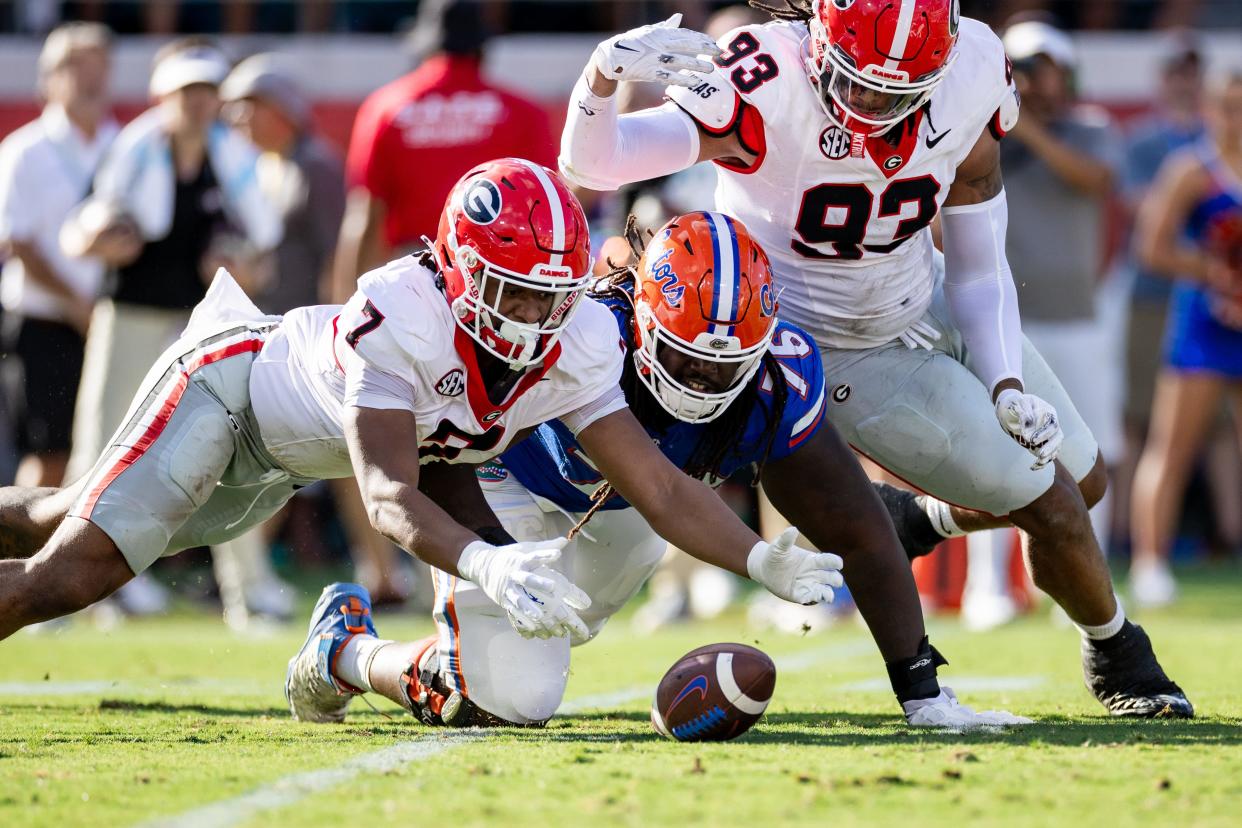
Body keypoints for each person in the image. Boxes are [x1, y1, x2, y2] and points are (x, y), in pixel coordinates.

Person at [556, 1, 1192, 718]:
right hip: (832, 347)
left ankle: (921, 520)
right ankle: (1119, 656)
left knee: (1090, 479)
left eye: (897, 91)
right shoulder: (764, 75)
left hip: (923, 295)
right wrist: (603, 76)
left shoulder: (974, 68)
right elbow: (593, 162)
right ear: (820, 44)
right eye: (858, 83)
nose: (873, 105)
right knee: (1054, 505)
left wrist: (1006, 378)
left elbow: (979, 262)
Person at [0, 160, 842, 675]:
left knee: (60, 518)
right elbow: (389, 498)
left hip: (287, 461)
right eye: (513, 292)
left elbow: (656, 485)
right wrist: (488, 566)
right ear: (461, 268)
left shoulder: (577, 339)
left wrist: (760, 559)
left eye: (551, 296)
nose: (531, 317)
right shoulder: (401, 311)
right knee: (76, 574)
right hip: (229, 391)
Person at [286, 211, 1029, 730]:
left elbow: (856, 528)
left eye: (724, 366)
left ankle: (452, 654)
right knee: (508, 694)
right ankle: (346, 651)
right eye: (680, 358)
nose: (701, 384)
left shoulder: (778, 379)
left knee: (553, 640)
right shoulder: (580, 334)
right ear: (641, 319)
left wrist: (921, 692)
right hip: (497, 481)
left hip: (627, 513)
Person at [60, 37, 285, 622]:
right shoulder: (131, 149)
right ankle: (65, 590)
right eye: (187, 90)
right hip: (130, 313)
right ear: (164, 95)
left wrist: (243, 266)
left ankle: (250, 594)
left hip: (201, 327)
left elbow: (263, 250)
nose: (198, 102)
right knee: (100, 449)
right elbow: (82, 232)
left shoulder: (231, 156)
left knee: (234, 447)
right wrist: (102, 238)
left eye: (207, 90)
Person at [333, 0, 557, 296]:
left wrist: (344, 307)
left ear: (424, 47)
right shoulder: (523, 113)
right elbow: (548, 208)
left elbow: (364, 215)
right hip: (500, 277)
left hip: (411, 275)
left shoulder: (385, 109)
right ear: (481, 49)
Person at [1129, 71, 1242, 607]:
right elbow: (1151, 247)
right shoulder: (1192, 171)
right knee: (1172, 446)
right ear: (1211, 110)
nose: (1235, 119)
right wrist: (1213, 270)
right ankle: (1151, 563)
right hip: (1203, 325)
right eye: (1228, 107)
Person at [0, 23, 117, 490]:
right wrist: (76, 305)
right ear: (48, 78)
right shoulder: (24, 152)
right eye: (76, 66)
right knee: (48, 456)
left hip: (111, 322)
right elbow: (19, 242)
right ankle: (20, 559)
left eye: (100, 66)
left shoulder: (125, 147)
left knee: (110, 450)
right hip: (44, 327)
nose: (91, 79)